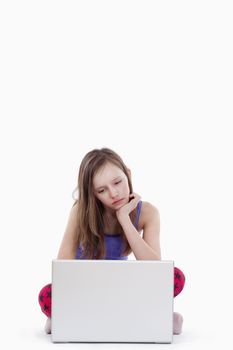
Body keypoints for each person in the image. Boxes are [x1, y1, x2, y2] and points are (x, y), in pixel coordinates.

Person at [38, 147, 185, 335]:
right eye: (102, 190)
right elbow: (62, 265)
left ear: (128, 175)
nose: (114, 193)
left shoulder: (148, 213)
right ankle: (143, 316)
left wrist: (125, 219)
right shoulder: (80, 212)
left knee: (174, 277)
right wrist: (73, 293)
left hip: (121, 288)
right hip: (85, 288)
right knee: (47, 294)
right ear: (93, 194)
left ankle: (145, 315)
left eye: (118, 182)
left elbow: (155, 269)